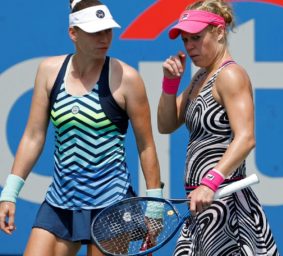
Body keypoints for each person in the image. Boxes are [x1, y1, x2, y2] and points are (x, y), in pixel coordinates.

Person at [0, 0, 162, 255]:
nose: (104, 38)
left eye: (107, 30)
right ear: (73, 33)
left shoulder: (128, 79)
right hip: (61, 202)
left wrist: (154, 209)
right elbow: (33, 136)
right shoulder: (48, 72)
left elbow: (146, 146)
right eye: (94, 31)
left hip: (111, 204)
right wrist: (10, 192)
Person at [157, 0, 279, 255]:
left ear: (219, 32)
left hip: (227, 206)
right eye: (185, 40)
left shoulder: (230, 75)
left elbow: (246, 138)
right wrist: (170, 85)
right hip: (202, 205)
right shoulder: (200, 77)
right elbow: (166, 125)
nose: (189, 47)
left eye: (197, 38)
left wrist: (210, 183)